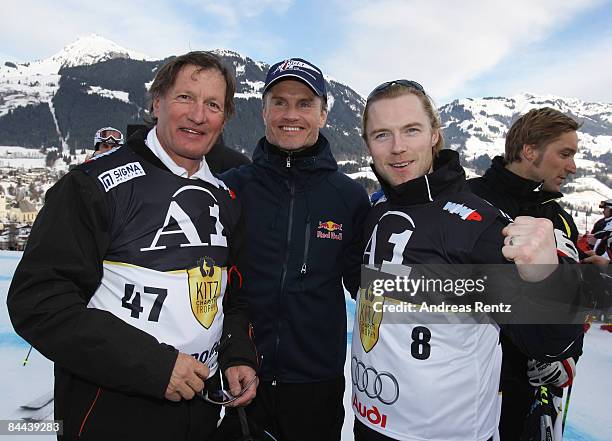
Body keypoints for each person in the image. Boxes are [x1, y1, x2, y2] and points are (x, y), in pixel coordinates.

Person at [7, 51, 258, 441]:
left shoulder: (226, 198)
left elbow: (234, 298)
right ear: (156, 102)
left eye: (213, 104)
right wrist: (154, 366)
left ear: (224, 118)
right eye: (185, 98)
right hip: (109, 409)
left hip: (201, 408)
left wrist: (237, 354)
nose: (198, 115)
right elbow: (39, 301)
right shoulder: (92, 185)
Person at [352, 80, 582, 441]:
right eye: (382, 135)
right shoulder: (378, 209)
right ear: (367, 143)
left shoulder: (475, 223)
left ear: (434, 135)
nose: (397, 148)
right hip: (371, 423)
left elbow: (549, 340)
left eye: (411, 130)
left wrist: (546, 275)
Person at [219, 57, 370, 441]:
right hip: (236, 373)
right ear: (264, 110)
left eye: (305, 104)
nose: (292, 114)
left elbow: (366, 287)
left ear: (323, 115)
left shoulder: (348, 196)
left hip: (314, 382)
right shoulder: (229, 189)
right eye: (280, 102)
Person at [468, 108, 604, 440]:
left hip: (531, 392)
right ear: (530, 151)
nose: (573, 167)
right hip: (468, 388)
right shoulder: (468, 202)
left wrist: (568, 355)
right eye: (565, 153)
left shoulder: (560, 218)